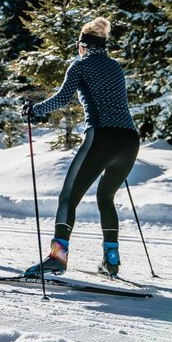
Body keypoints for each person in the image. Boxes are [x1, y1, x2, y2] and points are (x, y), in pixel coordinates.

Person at [22, 17, 139, 277]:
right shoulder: (116, 67)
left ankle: (57, 258)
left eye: (78, 45)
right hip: (129, 140)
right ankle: (111, 260)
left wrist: (35, 110)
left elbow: (63, 98)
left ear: (83, 46)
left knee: (68, 198)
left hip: (102, 137)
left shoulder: (80, 66)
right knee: (105, 198)